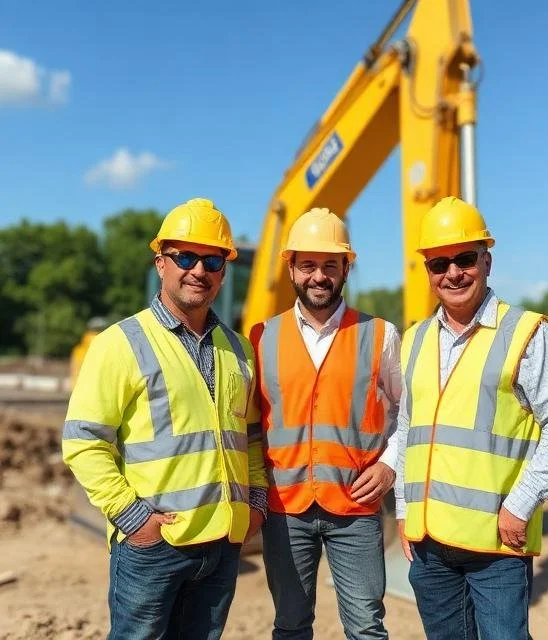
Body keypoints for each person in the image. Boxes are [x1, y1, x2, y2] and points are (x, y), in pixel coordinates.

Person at [62, 198, 268, 640]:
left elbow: (249, 435)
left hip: (222, 544)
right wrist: (134, 519)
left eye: (212, 260)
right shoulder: (119, 343)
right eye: (185, 257)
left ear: (224, 271)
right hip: (155, 547)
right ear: (161, 263)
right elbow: (83, 441)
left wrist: (256, 503)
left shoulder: (238, 349)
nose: (199, 270)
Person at [395, 196, 548, 640]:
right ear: (427, 271)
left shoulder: (526, 333)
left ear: (486, 260)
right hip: (429, 547)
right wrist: (405, 511)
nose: (453, 273)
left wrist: (521, 505)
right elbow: (409, 430)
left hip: (498, 547)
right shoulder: (415, 340)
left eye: (465, 259)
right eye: (439, 263)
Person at [249, 207, 401, 640]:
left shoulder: (380, 335)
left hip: (355, 507)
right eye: (309, 265)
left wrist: (389, 465)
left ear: (345, 269)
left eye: (330, 265)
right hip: (285, 508)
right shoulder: (261, 338)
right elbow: (251, 425)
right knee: (291, 626)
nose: (319, 276)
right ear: (292, 269)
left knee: (367, 629)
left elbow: (408, 414)